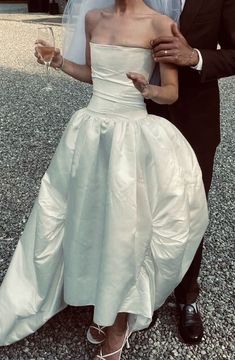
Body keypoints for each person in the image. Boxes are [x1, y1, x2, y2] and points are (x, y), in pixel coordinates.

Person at [0, 1, 208, 359]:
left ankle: (119, 320)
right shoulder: (95, 19)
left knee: (127, 229)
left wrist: (148, 90)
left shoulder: (160, 25)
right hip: (90, 131)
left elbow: (171, 91)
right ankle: (101, 300)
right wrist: (59, 61)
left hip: (132, 136)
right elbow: (95, 75)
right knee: (89, 220)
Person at [146, 0, 235, 345]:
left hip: (196, 120)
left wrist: (195, 56)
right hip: (143, 115)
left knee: (191, 210)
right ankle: (148, 292)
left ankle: (187, 298)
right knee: (146, 208)